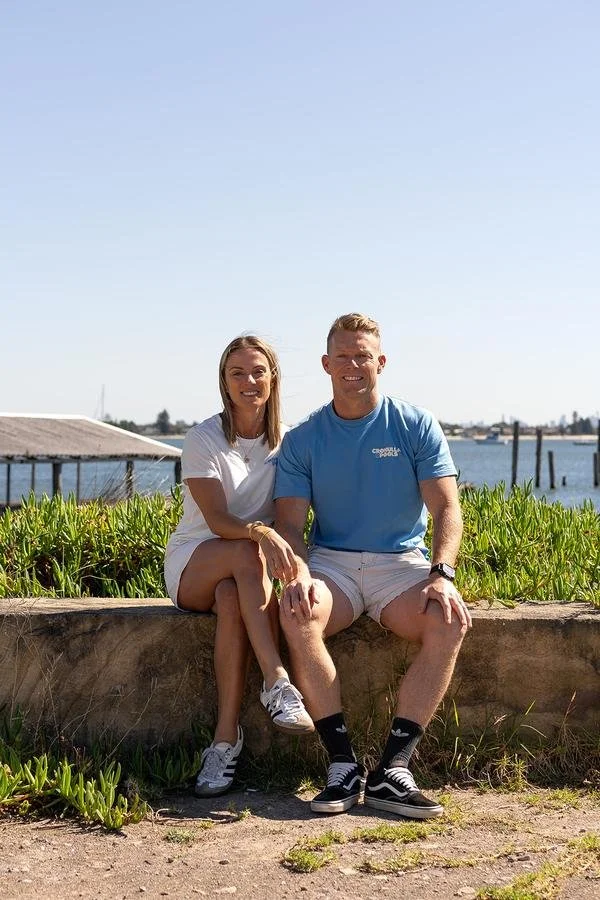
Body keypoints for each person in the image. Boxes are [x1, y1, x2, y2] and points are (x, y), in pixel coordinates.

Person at [274, 313, 472, 819]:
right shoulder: (303, 439)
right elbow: (291, 527)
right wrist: (298, 574)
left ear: (380, 362)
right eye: (343, 356)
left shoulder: (415, 425)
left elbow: (447, 509)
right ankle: (342, 765)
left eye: (363, 355)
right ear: (326, 364)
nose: (353, 365)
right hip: (332, 566)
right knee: (297, 612)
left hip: (401, 567)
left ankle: (392, 771)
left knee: (448, 619)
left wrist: (442, 575)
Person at [164, 335, 313, 799]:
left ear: (273, 378)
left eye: (257, 372)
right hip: (195, 561)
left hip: (244, 577)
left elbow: (291, 517)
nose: (249, 382)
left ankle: (224, 741)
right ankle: (276, 680)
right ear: (224, 383)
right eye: (237, 374)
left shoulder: (289, 442)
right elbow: (219, 521)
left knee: (233, 600)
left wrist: (296, 565)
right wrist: (262, 533)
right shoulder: (203, 438)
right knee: (245, 553)